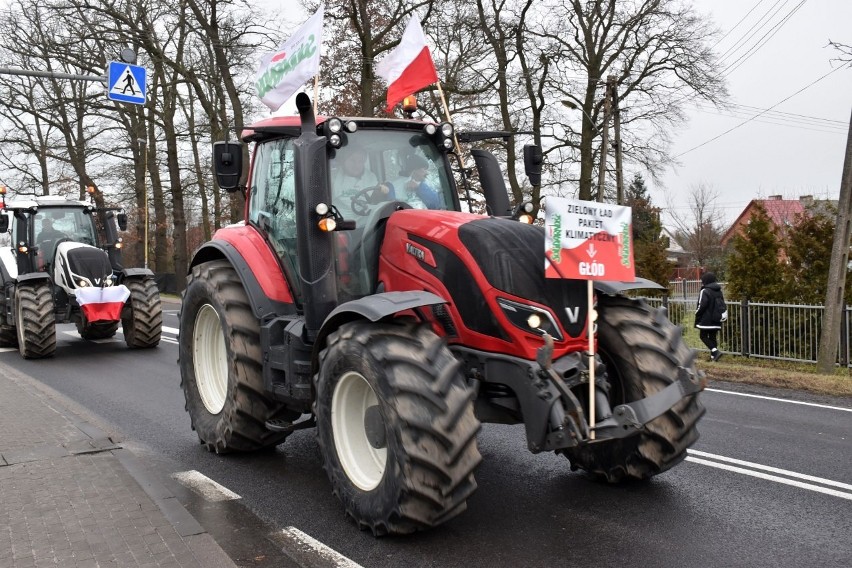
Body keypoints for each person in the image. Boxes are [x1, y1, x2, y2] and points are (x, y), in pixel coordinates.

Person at [695, 271, 728, 362]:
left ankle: (715, 351)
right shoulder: (719, 291)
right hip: (717, 318)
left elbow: (702, 305)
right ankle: (714, 357)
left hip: (707, 319)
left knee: (703, 336)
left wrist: (697, 313)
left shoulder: (704, 291)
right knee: (712, 337)